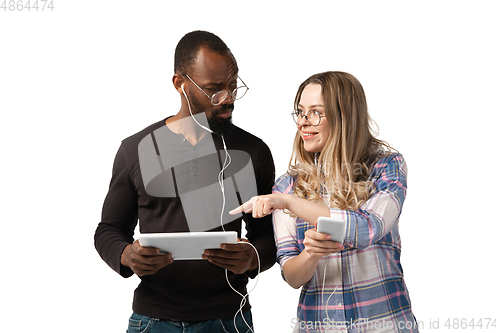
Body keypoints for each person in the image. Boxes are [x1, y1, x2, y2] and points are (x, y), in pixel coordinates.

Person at [94, 30, 276, 333]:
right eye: (213, 89)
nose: (227, 98)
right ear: (181, 83)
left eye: (233, 86)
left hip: (229, 320)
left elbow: (271, 237)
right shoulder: (136, 149)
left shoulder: (253, 151)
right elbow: (108, 230)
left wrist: (253, 257)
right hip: (152, 320)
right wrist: (127, 256)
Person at [230, 71, 418, 332]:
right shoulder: (288, 185)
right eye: (300, 112)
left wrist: (288, 203)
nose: (303, 122)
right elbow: (292, 275)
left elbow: (367, 228)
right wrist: (311, 253)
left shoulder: (386, 165)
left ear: (345, 116)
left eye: (316, 112)